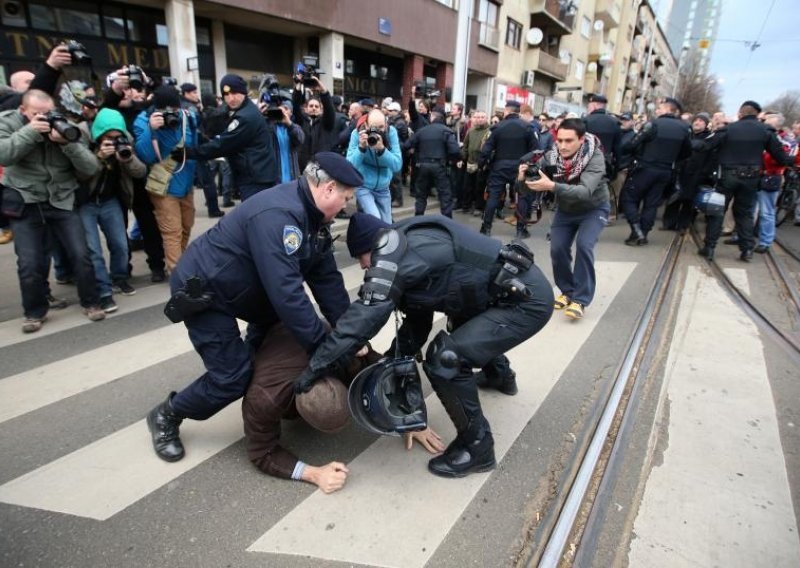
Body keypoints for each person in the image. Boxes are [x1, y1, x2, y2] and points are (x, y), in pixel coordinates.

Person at [293, 212, 554, 478]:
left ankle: (478, 447)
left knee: (445, 360)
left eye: (360, 258)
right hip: (501, 294)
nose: (362, 267)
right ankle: (499, 376)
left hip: (525, 302)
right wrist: (391, 369)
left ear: (371, 247)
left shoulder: (402, 255)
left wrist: (317, 366)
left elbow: (363, 319)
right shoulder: (410, 247)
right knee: (462, 332)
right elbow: (417, 325)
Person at [146, 153, 363, 462]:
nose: (345, 206)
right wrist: (324, 348)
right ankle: (168, 414)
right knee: (232, 376)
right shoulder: (279, 215)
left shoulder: (313, 219)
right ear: (328, 189)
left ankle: (259, 386)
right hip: (206, 290)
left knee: (264, 346)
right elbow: (287, 293)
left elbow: (326, 280)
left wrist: (349, 335)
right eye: (345, 198)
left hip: (251, 286)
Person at [0, 90, 105, 332]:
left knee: (81, 254)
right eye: (38, 114)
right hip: (25, 199)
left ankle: (92, 302)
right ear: (23, 111)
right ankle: (34, 312)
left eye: (48, 113)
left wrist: (67, 143)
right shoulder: (8, 122)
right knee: (30, 262)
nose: (45, 119)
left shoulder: (63, 125)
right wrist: (30, 132)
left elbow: (91, 167)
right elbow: (4, 155)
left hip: (62, 199)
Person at [243, 321, 385, 493]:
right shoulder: (263, 399)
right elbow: (261, 453)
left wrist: (408, 419)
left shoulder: (344, 354)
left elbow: (379, 369)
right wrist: (314, 474)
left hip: (308, 325)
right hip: (271, 331)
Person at [519, 118, 610, 320]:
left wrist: (551, 186)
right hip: (566, 210)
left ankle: (580, 299)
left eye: (569, 141)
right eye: (559, 140)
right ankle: (567, 291)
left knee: (584, 246)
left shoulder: (595, 157)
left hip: (593, 209)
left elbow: (585, 192)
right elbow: (529, 187)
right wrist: (523, 178)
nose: (562, 146)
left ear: (581, 139)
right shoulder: (552, 156)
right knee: (557, 249)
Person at [699, 101, 793, 260]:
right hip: (751, 177)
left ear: (740, 113)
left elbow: (705, 146)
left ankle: (709, 248)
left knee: (718, 210)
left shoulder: (728, 129)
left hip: (727, 176)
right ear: (757, 115)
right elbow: (781, 157)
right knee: (744, 213)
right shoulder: (765, 131)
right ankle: (746, 250)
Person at [81, 108, 146, 313]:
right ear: (100, 134)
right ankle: (103, 292)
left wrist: (127, 158)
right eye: (109, 137)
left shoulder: (125, 141)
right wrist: (99, 157)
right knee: (93, 249)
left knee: (120, 244)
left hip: (111, 201)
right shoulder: (82, 139)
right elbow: (78, 174)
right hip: (85, 202)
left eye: (118, 136)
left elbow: (140, 171)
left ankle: (120, 278)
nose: (114, 140)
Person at [133, 85, 199, 273]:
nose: (172, 114)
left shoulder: (188, 117)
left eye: (175, 109)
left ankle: (182, 263)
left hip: (186, 183)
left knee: (187, 225)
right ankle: (177, 272)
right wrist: (151, 130)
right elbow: (145, 156)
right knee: (172, 231)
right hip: (164, 186)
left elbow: (195, 147)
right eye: (167, 110)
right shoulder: (144, 121)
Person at [183, 74, 279, 201]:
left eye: (235, 93)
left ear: (244, 92)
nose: (230, 98)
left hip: (255, 180)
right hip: (257, 176)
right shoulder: (244, 110)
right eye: (226, 95)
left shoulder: (245, 117)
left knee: (255, 217)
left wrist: (188, 153)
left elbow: (222, 145)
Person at [620, 97, 692, 246]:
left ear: (668, 109)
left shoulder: (653, 124)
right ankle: (642, 234)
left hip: (645, 168)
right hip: (665, 171)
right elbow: (686, 152)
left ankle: (637, 230)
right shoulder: (684, 128)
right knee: (651, 204)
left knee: (628, 198)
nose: (657, 110)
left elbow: (632, 145)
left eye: (660, 108)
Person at [478, 100, 539, 236]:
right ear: (518, 112)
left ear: (506, 111)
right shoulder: (527, 127)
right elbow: (536, 150)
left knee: (493, 196)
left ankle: (486, 228)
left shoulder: (497, 127)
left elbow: (485, 150)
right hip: (520, 167)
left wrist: (482, 166)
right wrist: (527, 164)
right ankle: (520, 229)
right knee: (522, 197)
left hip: (499, 167)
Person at [346, 109, 402, 223]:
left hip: (384, 188)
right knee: (375, 219)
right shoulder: (357, 134)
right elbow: (349, 166)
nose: (377, 132)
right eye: (373, 127)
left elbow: (397, 165)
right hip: (364, 186)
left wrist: (382, 150)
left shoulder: (391, 132)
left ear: (386, 124)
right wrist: (361, 148)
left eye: (381, 127)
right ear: (366, 125)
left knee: (387, 224)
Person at [405, 106, 460, 217]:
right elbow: (455, 150)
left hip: (422, 165)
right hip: (440, 165)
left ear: (432, 117)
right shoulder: (447, 131)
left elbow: (407, 145)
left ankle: (418, 218)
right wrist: (450, 160)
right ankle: (446, 221)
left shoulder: (422, 131)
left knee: (421, 194)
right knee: (445, 194)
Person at [292, 75, 339, 171]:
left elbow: (329, 108)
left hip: (321, 168)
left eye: (316, 106)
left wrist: (323, 90)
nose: (314, 108)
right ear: (306, 108)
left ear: (321, 109)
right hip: (302, 168)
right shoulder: (301, 122)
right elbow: (295, 106)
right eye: (311, 106)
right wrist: (298, 85)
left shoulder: (326, 123)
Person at [460, 110, 491, 216]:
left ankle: (478, 207)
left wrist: (486, 162)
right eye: (477, 117)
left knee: (479, 188)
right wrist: (462, 158)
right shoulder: (470, 131)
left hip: (482, 164)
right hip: (469, 163)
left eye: (482, 117)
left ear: (486, 118)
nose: (480, 119)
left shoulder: (490, 132)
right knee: (466, 187)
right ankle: (466, 206)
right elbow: (465, 146)